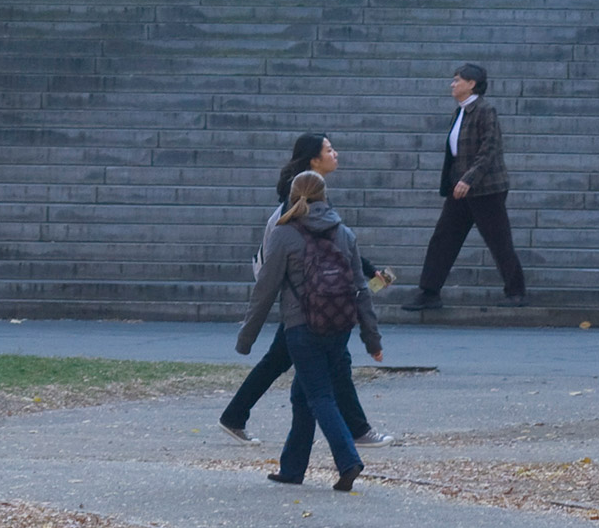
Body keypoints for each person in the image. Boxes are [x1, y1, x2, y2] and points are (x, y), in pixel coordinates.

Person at [221, 131, 394, 446]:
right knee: (334, 362)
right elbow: (317, 240)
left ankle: (236, 416)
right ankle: (357, 431)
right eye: (329, 149)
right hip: (307, 294)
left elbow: (334, 239)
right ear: (315, 159)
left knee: (285, 360)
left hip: (310, 295)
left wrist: (369, 270)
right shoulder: (303, 193)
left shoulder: (310, 190)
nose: (335, 153)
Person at [236, 171, 382, 490]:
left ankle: (348, 460)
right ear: (324, 195)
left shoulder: (284, 234)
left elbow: (265, 289)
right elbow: (362, 288)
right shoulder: (343, 233)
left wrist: (247, 338)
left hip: (301, 327)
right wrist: (372, 339)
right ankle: (292, 467)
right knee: (302, 396)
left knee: (319, 396)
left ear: (293, 196)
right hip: (339, 325)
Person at [401, 63, 526, 310]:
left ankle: (516, 292)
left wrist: (469, 178)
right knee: (444, 238)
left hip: (486, 189)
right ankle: (429, 293)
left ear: (471, 84)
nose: (453, 84)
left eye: (457, 79)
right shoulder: (460, 111)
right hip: (460, 189)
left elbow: (489, 149)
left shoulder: (485, 110)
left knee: (499, 241)